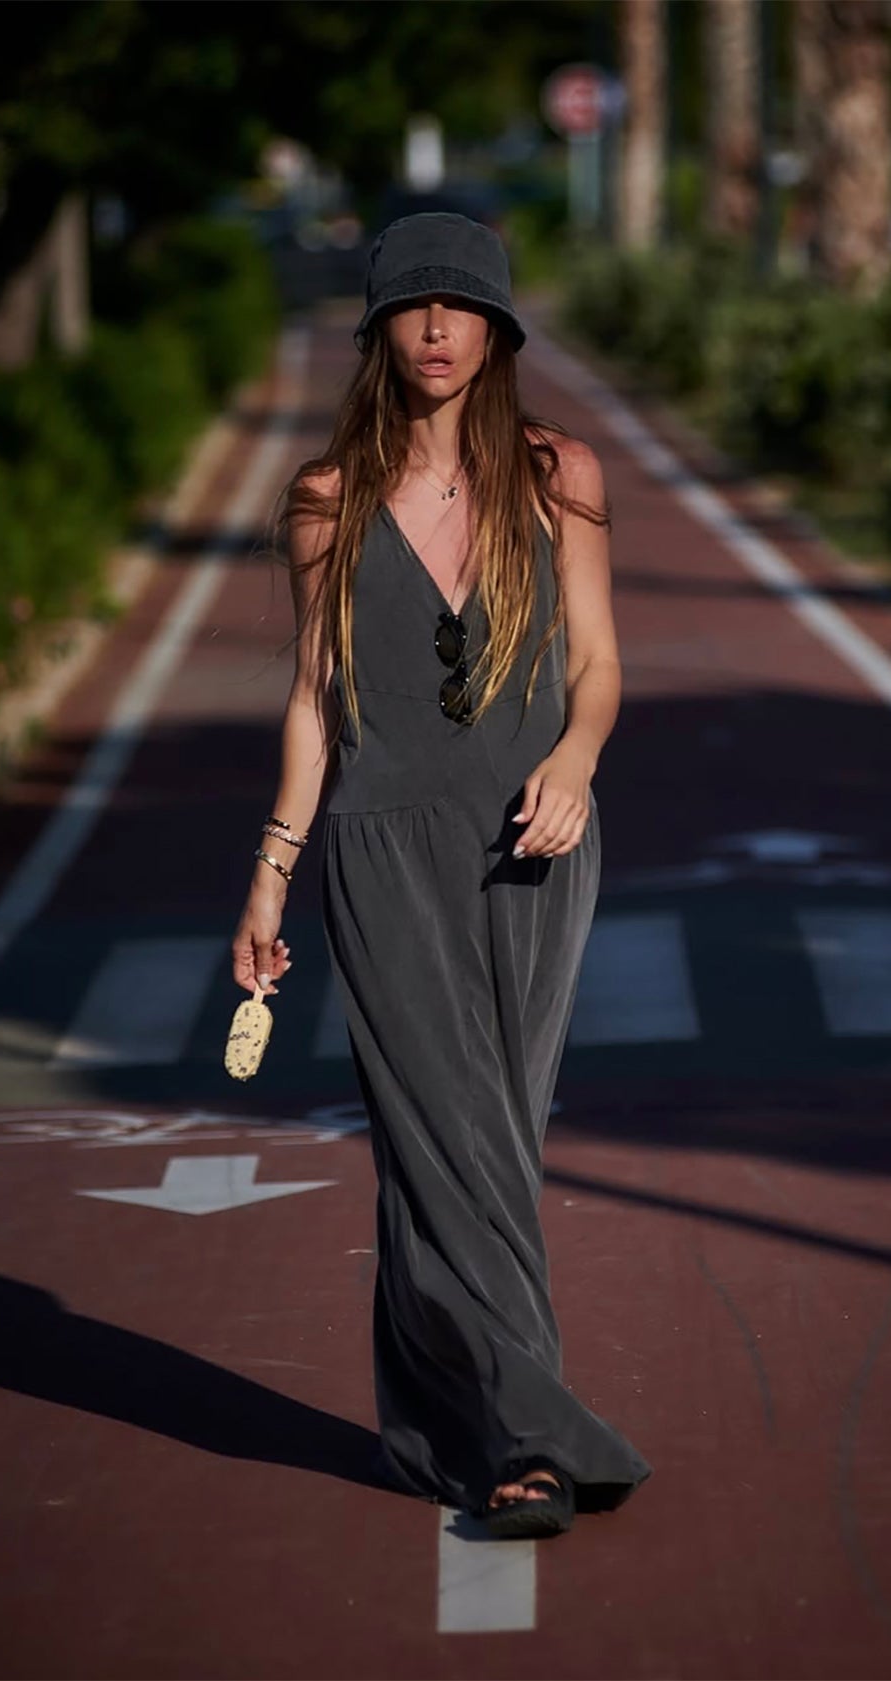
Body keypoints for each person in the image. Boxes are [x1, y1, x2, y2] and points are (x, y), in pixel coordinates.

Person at [231, 212, 653, 1539]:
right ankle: (534, 1442)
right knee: (445, 1137)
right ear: (377, 329)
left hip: (536, 842)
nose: (435, 327)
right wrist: (271, 870)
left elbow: (596, 664)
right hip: (381, 843)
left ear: (497, 331)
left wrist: (578, 761)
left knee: (488, 1146)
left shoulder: (557, 472)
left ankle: (426, 1427)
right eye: (411, 305)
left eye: (459, 307)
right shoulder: (325, 499)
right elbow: (313, 694)